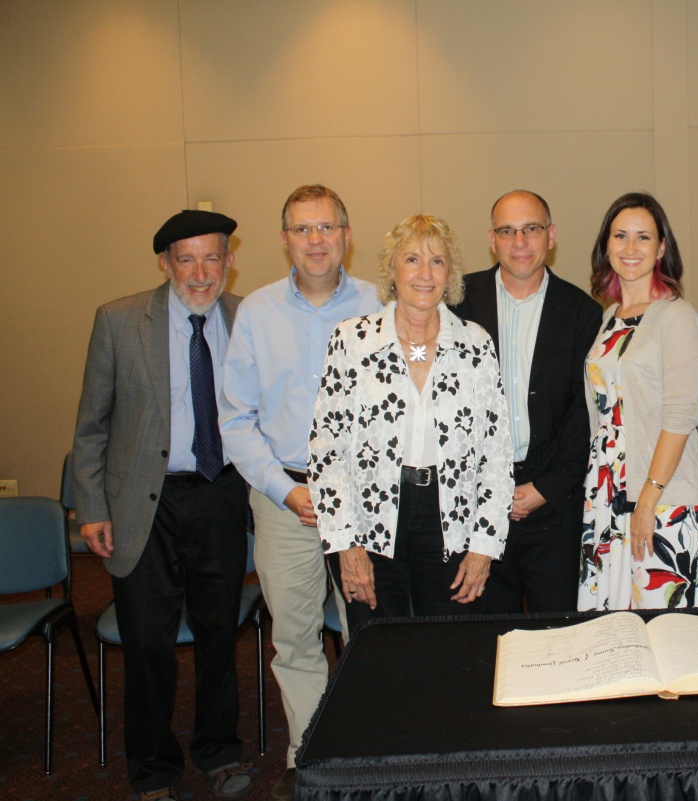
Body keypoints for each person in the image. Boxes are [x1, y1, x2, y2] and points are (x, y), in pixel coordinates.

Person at [72, 210, 252, 801]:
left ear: (228, 261)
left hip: (220, 495)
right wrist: (91, 505)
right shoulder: (120, 320)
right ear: (165, 263)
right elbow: (91, 426)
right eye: (186, 259)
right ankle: (152, 769)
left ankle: (219, 751)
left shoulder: (245, 316)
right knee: (147, 643)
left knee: (217, 634)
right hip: (142, 503)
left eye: (212, 258)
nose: (201, 273)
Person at [219, 185, 380, 800]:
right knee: (295, 636)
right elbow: (236, 419)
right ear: (284, 238)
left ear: (346, 234)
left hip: (366, 501)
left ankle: (364, 750)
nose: (315, 241)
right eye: (302, 229)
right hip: (284, 496)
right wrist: (283, 491)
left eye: (326, 228)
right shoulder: (256, 313)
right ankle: (308, 751)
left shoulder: (380, 302)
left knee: (365, 628)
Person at [310, 214, 513, 628]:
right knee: (379, 654)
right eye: (412, 259)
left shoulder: (475, 344)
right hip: (373, 517)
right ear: (392, 268)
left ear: (450, 273)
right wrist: (346, 545)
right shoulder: (352, 340)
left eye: (437, 261)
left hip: (452, 516)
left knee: (451, 652)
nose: (425, 273)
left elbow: (497, 453)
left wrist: (484, 547)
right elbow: (326, 450)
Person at [450, 190, 602, 612]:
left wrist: (545, 488)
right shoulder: (457, 304)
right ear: (492, 239)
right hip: (474, 502)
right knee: (484, 637)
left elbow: (584, 414)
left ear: (550, 236)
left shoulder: (582, 312)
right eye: (507, 231)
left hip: (553, 505)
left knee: (558, 637)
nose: (519, 242)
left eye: (531, 229)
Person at [578, 192, 698, 610]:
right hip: (608, 489)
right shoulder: (610, 317)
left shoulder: (675, 316)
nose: (630, 248)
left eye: (643, 237)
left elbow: (681, 415)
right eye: (620, 236)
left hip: (662, 493)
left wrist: (647, 498)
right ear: (607, 245)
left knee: (665, 628)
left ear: (661, 247)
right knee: (617, 631)